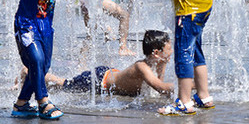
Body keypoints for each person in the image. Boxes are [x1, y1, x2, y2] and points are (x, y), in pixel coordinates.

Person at [12, 0, 69, 120]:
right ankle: (43, 102)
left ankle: (21, 104)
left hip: (45, 25)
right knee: (35, 60)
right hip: (26, 23)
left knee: (42, 67)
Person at [45, 30, 174, 96]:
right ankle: (33, 73)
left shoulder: (156, 63)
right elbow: (161, 88)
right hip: (98, 80)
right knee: (65, 85)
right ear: (156, 53)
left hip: (109, 74)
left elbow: (158, 88)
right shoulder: (142, 67)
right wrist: (190, 85)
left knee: (62, 87)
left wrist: (163, 65)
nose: (172, 51)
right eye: (169, 48)